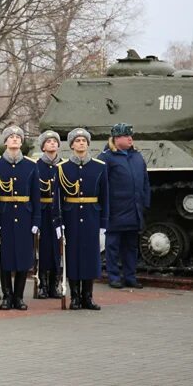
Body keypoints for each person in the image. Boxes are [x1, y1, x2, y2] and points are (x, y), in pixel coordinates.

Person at [0, 125, 41, 311]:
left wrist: (36, 221)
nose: (15, 139)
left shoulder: (31, 165)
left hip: (24, 217)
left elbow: (36, 196)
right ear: (5, 142)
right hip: (4, 216)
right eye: (11, 137)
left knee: (24, 259)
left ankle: (19, 296)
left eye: (18, 137)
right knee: (6, 259)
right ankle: (7, 296)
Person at [58, 128, 108, 310]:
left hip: (91, 216)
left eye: (84, 140)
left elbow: (105, 197)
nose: (81, 143)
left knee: (90, 257)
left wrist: (104, 225)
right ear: (71, 145)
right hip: (71, 216)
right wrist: (59, 222)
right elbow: (58, 198)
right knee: (73, 256)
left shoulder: (99, 167)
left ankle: (88, 296)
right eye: (77, 140)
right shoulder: (62, 168)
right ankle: (75, 297)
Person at [98, 123, 150, 289]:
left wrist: (144, 203)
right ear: (116, 138)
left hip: (134, 209)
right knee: (112, 246)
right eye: (126, 136)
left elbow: (145, 182)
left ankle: (130, 276)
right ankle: (113, 276)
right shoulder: (106, 158)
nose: (130, 139)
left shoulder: (137, 157)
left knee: (131, 246)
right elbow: (101, 185)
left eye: (130, 136)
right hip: (115, 209)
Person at [35, 130, 63, 299]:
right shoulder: (36, 166)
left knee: (58, 249)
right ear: (43, 146)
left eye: (55, 141)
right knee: (43, 249)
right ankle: (43, 284)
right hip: (43, 211)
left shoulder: (64, 166)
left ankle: (55, 284)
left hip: (58, 213)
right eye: (48, 141)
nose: (52, 143)